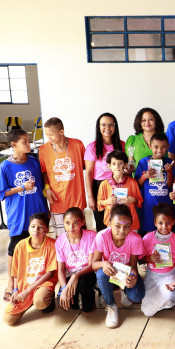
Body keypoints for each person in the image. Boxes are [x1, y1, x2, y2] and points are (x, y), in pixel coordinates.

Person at [0, 129, 48, 301]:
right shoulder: (5, 166)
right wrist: (21, 188)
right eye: (25, 142)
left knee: (38, 248)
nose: (29, 144)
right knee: (15, 248)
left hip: (38, 212)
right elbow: (2, 193)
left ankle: (35, 281)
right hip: (18, 217)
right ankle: (11, 284)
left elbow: (44, 184)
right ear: (14, 145)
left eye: (28, 141)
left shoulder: (35, 162)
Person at [92, 204, 145, 328]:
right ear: (109, 223)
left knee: (137, 297)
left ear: (131, 225)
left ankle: (124, 290)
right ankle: (111, 306)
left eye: (126, 227)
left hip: (124, 274)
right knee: (100, 273)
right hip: (109, 273)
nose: (122, 231)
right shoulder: (102, 236)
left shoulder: (135, 239)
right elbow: (94, 264)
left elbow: (133, 267)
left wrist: (133, 277)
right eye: (117, 226)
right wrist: (103, 263)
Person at [4, 213, 57, 325]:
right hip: (25, 285)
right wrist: (15, 290)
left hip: (43, 282)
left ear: (47, 229)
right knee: (8, 320)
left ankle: (45, 298)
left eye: (40, 227)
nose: (36, 230)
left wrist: (28, 292)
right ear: (28, 228)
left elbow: (50, 273)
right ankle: (30, 301)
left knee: (40, 302)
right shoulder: (20, 245)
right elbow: (15, 272)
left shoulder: (52, 245)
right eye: (33, 226)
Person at [39, 117, 86, 236]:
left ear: (61, 132)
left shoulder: (77, 145)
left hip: (77, 200)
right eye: (46, 135)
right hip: (57, 200)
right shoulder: (43, 149)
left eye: (51, 135)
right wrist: (47, 188)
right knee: (61, 237)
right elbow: (44, 172)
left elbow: (84, 166)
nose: (48, 138)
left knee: (80, 235)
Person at [85, 112, 125, 232]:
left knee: (119, 220)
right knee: (102, 222)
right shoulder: (92, 147)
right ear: (99, 127)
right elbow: (88, 173)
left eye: (110, 125)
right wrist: (91, 197)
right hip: (100, 187)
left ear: (115, 126)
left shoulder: (122, 145)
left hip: (119, 185)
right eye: (103, 125)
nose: (107, 128)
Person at [140, 203, 175, 316]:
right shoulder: (147, 238)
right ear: (155, 223)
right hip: (151, 276)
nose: (164, 226)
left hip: (169, 275)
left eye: (168, 223)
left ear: (173, 222)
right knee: (147, 311)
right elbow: (140, 259)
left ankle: (171, 294)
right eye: (160, 223)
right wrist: (149, 258)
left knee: (169, 297)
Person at [56, 208, 97, 314]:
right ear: (63, 223)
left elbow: (92, 265)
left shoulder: (91, 236)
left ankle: (88, 295)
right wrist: (64, 288)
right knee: (63, 303)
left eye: (75, 223)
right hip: (70, 276)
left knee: (83, 285)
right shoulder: (60, 240)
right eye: (67, 223)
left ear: (82, 222)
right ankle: (74, 296)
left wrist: (76, 276)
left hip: (87, 273)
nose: (71, 227)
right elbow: (60, 270)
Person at [135, 133, 174, 234]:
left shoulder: (170, 162)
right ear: (150, 146)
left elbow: (170, 185)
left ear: (168, 147)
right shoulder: (143, 162)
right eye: (156, 147)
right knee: (150, 232)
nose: (160, 150)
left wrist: (169, 172)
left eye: (163, 147)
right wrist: (145, 176)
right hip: (149, 204)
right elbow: (137, 184)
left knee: (166, 231)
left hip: (165, 204)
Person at [97, 150, 143, 230]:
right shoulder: (104, 184)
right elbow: (99, 203)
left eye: (120, 163)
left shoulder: (132, 183)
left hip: (130, 222)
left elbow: (139, 201)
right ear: (109, 165)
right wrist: (106, 201)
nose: (117, 167)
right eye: (114, 164)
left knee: (131, 242)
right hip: (111, 222)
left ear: (125, 165)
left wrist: (132, 200)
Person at [125, 107, 165, 173]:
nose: (147, 123)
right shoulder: (132, 140)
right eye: (143, 120)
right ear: (139, 122)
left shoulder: (166, 137)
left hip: (163, 180)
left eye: (151, 119)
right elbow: (131, 163)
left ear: (156, 121)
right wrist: (128, 169)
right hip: (139, 181)